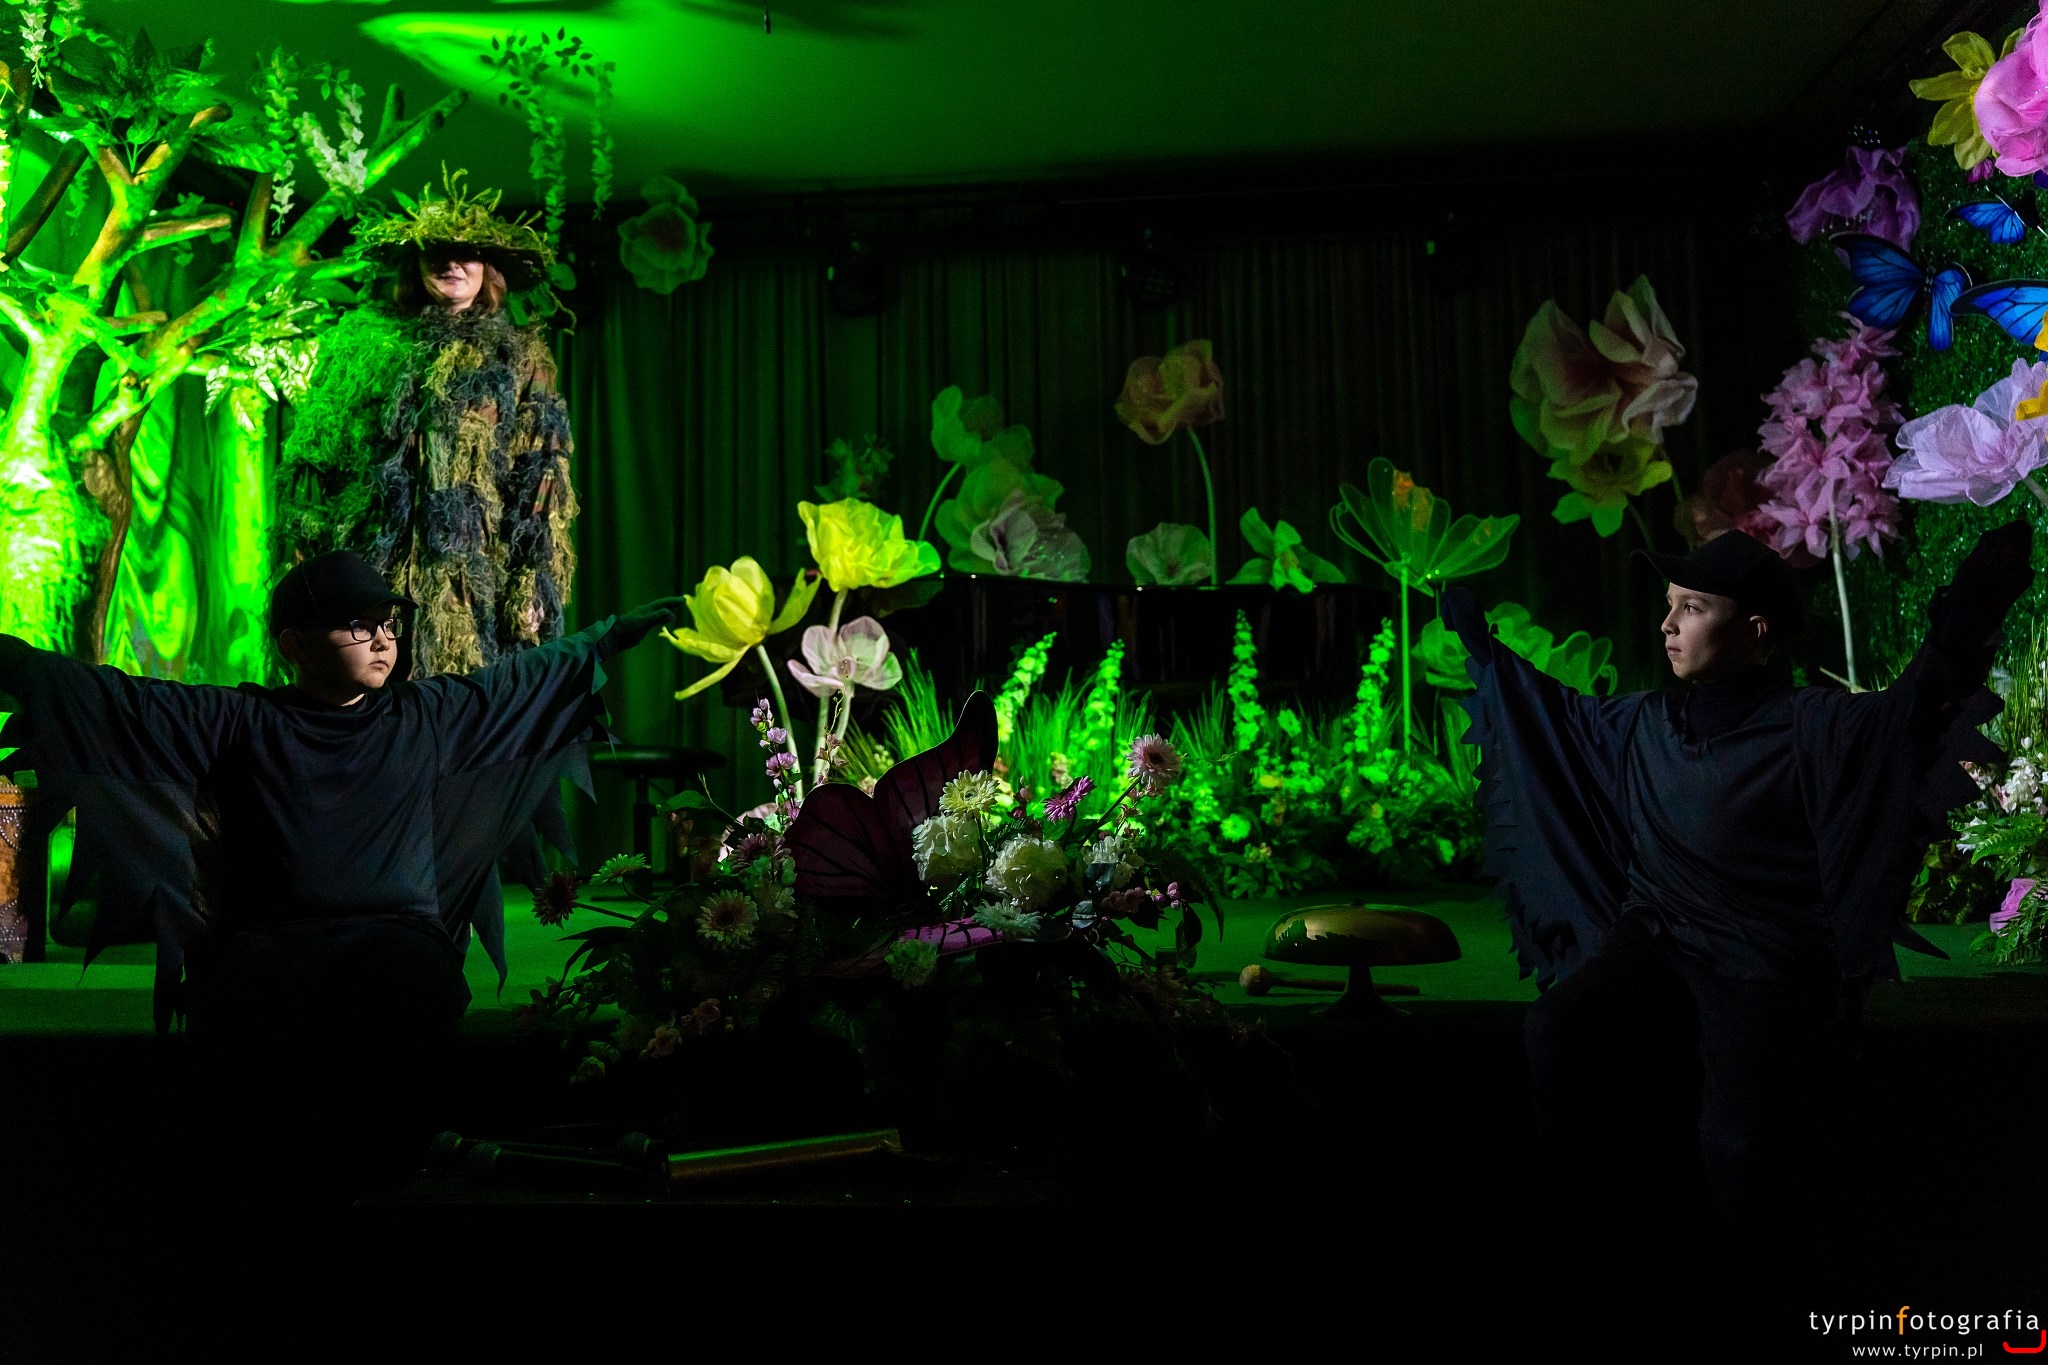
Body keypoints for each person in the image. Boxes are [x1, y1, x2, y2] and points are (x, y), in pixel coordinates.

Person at [1441, 522, 2031, 1309]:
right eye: (1668, 605)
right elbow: (1556, 717)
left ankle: (1750, 1300)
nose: (1667, 624)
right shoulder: (1645, 723)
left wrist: (1968, 618)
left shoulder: (1812, 724)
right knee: (1556, 1030)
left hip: (1759, 958)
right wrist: (1486, 652)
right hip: (1656, 936)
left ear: (1754, 631)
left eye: (1690, 607)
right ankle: (1584, 1247)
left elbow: (1911, 712)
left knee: (1739, 1145)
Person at [0, 551, 684, 1182]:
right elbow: (112, 698)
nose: (383, 639)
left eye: (387, 623)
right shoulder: (240, 720)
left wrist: (611, 635)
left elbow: (524, 680)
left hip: (397, 935)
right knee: (250, 1010)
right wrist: (16, 664)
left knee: (406, 988)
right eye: (358, 625)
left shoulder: (425, 716)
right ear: (294, 645)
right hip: (270, 940)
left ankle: (391, 1179)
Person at [278, 172, 577, 681]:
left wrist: (531, 580)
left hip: (470, 580)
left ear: (488, 269)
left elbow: (539, 475)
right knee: (369, 696)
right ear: (413, 264)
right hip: (370, 566)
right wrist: (306, 560)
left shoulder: (522, 359)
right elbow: (316, 457)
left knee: (454, 698)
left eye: (468, 254)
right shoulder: (362, 345)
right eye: (436, 251)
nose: (452, 264)